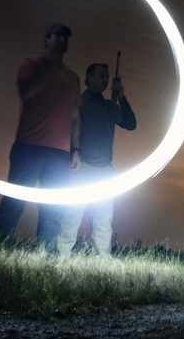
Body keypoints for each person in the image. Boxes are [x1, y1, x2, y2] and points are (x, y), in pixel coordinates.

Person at [0, 23, 81, 249]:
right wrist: (49, 72)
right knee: (14, 202)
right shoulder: (31, 64)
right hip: (29, 146)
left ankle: (46, 254)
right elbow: (26, 92)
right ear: (46, 40)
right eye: (57, 36)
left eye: (65, 37)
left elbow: (75, 116)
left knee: (53, 208)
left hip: (59, 153)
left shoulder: (73, 77)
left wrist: (75, 149)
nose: (62, 41)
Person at [57, 61, 136, 258]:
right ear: (89, 78)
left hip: (105, 170)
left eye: (107, 77)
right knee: (72, 215)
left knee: (103, 219)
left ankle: (103, 259)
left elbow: (131, 123)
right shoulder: (79, 103)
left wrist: (122, 97)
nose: (105, 80)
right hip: (82, 167)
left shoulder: (110, 107)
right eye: (101, 76)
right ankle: (62, 257)